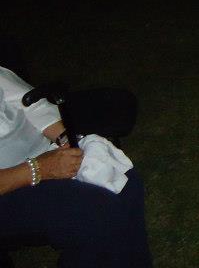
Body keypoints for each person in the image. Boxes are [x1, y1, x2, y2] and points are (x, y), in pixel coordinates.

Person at [0, 67, 151, 268]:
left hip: (43, 155)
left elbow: (30, 104)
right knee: (95, 212)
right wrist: (39, 169)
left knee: (124, 180)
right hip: (9, 184)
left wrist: (65, 140)